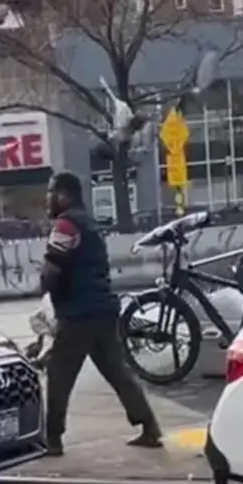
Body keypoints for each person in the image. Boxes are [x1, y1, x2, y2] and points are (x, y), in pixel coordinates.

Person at [41, 171, 163, 455]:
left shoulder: (65, 225)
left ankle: (52, 439)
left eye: (50, 192)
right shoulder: (91, 224)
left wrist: (47, 291)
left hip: (78, 313)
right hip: (103, 309)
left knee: (59, 374)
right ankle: (149, 426)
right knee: (117, 371)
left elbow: (53, 269)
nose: (47, 198)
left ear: (63, 195)